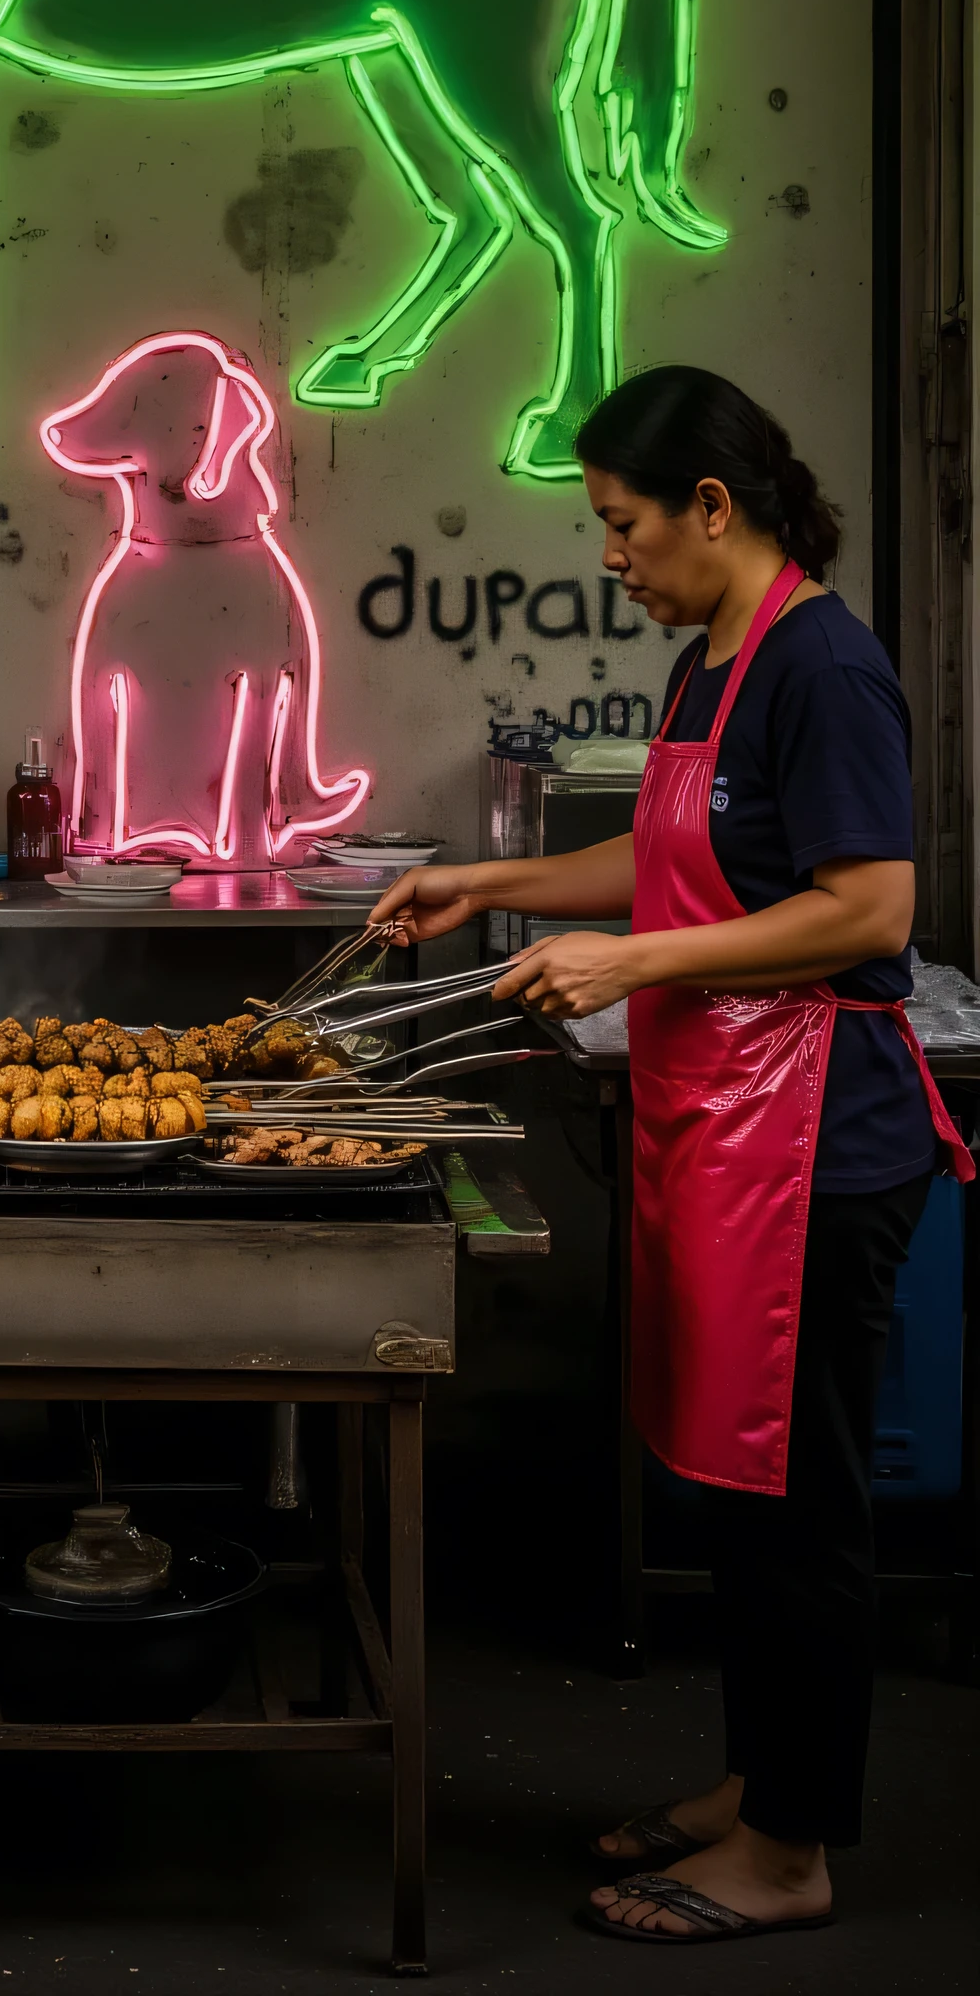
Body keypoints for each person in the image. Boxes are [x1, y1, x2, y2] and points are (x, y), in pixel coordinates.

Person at [368, 366, 972, 1948]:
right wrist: (491, 879)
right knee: (732, 1481)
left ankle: (790, 1854)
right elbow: (669, 859)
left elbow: (870, 909)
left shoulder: (822, 668)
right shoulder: (712, 659)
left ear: (714, 507)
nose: (611, 556)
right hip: (729, 1120)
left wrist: (634, 967)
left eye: (625, 525)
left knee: (797, 1499)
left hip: (821, 1139)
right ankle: (759, 1784)